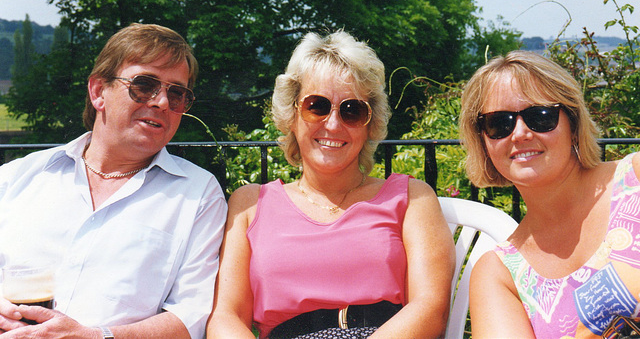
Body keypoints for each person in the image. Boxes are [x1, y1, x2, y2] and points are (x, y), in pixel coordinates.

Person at [207, 30, 455, 339]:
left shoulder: (411, 198)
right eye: (317, 106)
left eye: (353, 111)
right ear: (292, 114)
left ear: (370, 123)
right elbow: (226, 318)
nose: (333, 124)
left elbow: (431, 309)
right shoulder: (250, 205)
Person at [0, 23, 228, 338]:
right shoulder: (15, 179)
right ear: (98, 92)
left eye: (176, 94)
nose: (161, 102)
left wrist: (95, 337)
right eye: (144, 85)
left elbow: (190, 317)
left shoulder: (198, 195)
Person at [460, 50, 640, 338]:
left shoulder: (636, 179)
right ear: (483, 142)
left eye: (540, 117)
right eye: (499, 123)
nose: (519, 133)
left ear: (573, 124)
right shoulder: (500, 273)